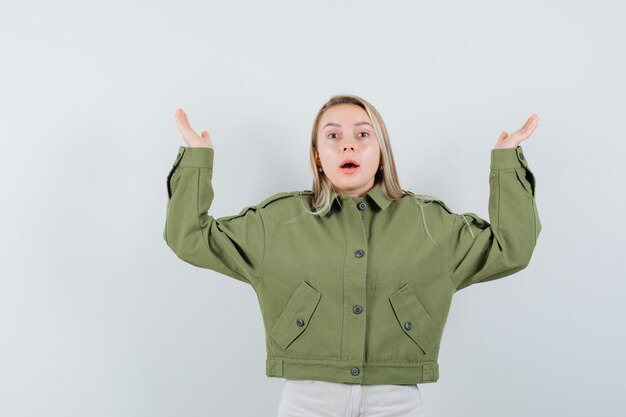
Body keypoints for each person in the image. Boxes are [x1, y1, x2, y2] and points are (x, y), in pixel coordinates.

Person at [163, 94, 541, 417]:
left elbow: (512, 247)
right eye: (333, 136)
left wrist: (506, 164)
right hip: (307, 400)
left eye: (363, 134)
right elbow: (190, 237)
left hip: (397, 398)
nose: (348, 145)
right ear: (317, 154)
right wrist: (198, 160)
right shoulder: (276, 222)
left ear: (381, 152)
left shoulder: (430, 223)